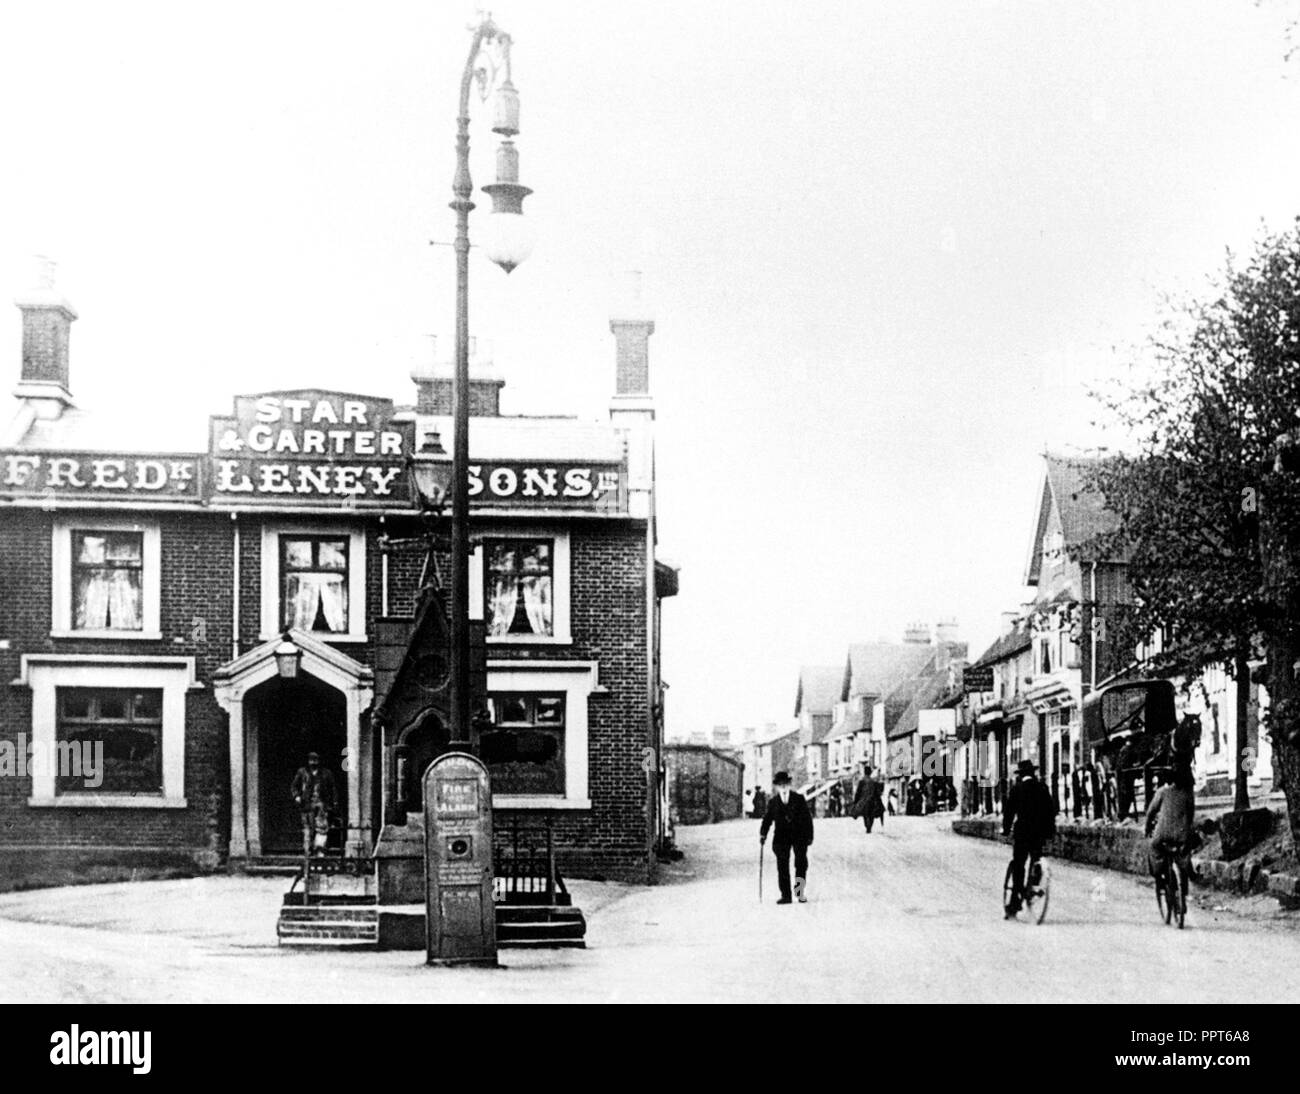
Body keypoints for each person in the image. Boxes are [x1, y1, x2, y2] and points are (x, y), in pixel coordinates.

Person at [1002, 759, 1057, 918]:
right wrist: (1050, 832)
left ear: (1020, 775)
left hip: (1022, 833)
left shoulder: (1017, 789)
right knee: (1036, 858)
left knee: (1019, 864)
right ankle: (1033, 888)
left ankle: (1016, 900)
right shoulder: (1042, 788)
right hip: (1038, 833)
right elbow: (1050, 811)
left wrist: (1005, 829)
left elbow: (1009, 813)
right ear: (1033, 773)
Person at [759, 771, 815, 904]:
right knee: (782, 866)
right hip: (781, 837)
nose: (783, 787)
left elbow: (807, 818)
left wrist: (810, 835)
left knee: (801, 864)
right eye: (780, 784)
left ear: (789, 784)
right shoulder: (773, 802)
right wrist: (763, 834)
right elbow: (767, 819)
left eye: (785, 784)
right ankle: (786, 895)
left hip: (799, 835)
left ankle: (800, 892)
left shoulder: (799, 799)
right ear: (776, 787)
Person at [1145, 764, 1197, 885]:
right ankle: (1190, 873)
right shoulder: (1187, 794)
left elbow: (1150, 812)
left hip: (1162, 834)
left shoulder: (1162, 792)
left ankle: (1159, 875)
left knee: (1154, 848)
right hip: (1181, 835)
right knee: (1184, 852)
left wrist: (1147, 828)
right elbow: (1190, 814)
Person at [290, 751, 337, 856]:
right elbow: (294, 786)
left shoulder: (326, 773)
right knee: (307, 829)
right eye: (311, 759)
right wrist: (297, 796)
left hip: (321, 805)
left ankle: (320, 851)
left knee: (322, 828)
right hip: (307, 805)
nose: (313, 762)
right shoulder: (302, 772)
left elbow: (333, 789)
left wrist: (333, 802)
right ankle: (308, 852)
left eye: (315, 759)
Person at [851, 765, 885, 833]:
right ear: (870, 773)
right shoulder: (873, 782)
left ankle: (867, 826)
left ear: (864, 772)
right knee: (871, 814)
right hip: (872, 800)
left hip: (863, 801)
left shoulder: (861, 781)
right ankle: (869, 826)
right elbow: (877, 793)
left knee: (865, 814)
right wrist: (880, 802)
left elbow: (858, 792)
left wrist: (855, 802)